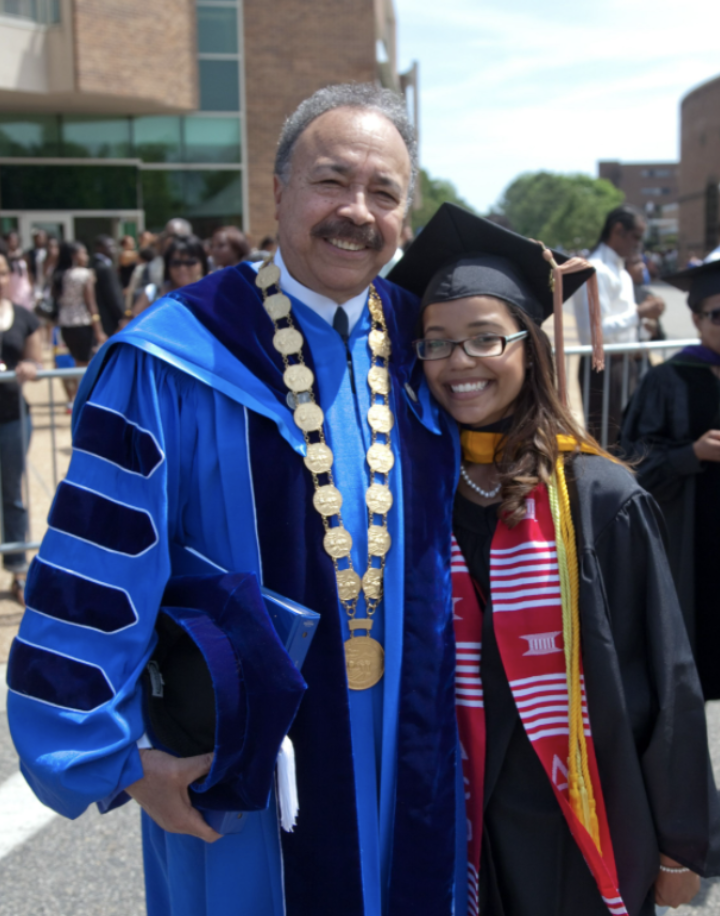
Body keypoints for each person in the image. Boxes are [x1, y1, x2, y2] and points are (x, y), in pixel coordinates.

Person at [8, 83, 463, 916]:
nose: (355, 211)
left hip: (417, 736)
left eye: (384, 193)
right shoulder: (171, 355)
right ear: (280, 190)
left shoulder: (432, 345)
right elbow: (94, 566)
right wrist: (117, 757)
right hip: (247, 752)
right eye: (331, 181)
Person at [389, 203, 720, 916]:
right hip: (450, 813)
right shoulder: (410, 492)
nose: (459, 363)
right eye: (437, 343)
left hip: (579, 812)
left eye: (485, 339)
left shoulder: (600, 496)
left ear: (530, 347)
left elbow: (667, 680)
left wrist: (680, 844)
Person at [621, 259, 720, 699]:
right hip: (694, 531)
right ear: (697, 319)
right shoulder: (667, 379)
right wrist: (690, 454)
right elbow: (630, 462)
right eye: (717, 315)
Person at [572, 206, 663, 445]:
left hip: (627, 364)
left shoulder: (620, 271)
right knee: (605, 439)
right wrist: (639, 312)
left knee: (628, 434)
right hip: (605, 368)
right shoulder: (596, 270)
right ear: (618, 230)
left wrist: (645, 325)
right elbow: (594, 332)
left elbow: (623, 323)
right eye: (636, 237)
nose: (638, 244)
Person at [0, 247, 43, 605]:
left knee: (11, 493)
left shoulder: (24, 317)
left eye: (1, 271)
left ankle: (17, 568)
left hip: (13, 417)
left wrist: (29, 367)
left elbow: (35, 358)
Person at [53, 242, 106, 403]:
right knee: (84, 363)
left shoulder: (58, 274)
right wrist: (98, 329)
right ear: (74, 256)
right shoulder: (84, 274)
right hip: (82, 322)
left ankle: (75, 396)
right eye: (83, 253)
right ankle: (82, 398)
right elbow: (90, 303)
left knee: (76, 361)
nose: (87, 256)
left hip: (64, 323)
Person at [132, 234, 208, 317]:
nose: (182, 268)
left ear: (203, 264)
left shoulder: (212, 295)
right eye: (176, 263)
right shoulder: (152, 293)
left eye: (190, 262)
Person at [90, 235, 126, 337]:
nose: (114, 250)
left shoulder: (93, 264)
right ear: (99, 248)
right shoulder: (105, 268)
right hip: (109, 319)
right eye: (110, 246)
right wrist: (122, 316)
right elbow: (113, 296)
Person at [5, 230, 34, 311]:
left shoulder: (24, 255)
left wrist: (31, 286)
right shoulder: (5, 256)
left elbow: (28, 271)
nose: (13, 243)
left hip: (23, 288)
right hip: (11, 288)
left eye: (15, 240)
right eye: (10, 241)